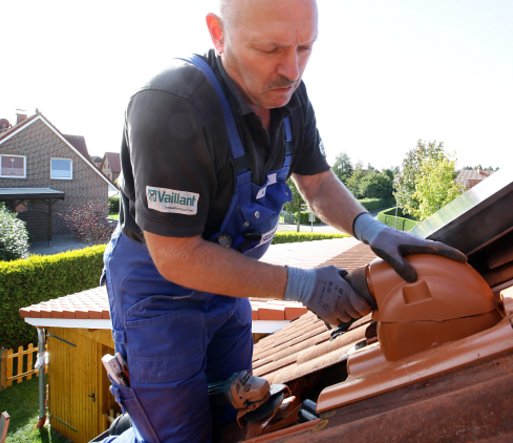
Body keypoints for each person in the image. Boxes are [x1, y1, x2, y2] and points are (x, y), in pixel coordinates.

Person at [102, 1, 467, 442]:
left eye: (304, 47)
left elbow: (316, 184)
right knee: (179, 435)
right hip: (160, 294)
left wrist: (371, 229)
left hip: (227, 284)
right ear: (218, 33)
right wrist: (304, 286)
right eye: (270, 48)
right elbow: (177, 257)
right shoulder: (170, 106)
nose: (291, 70)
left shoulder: (289, 96)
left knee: (236, 419)